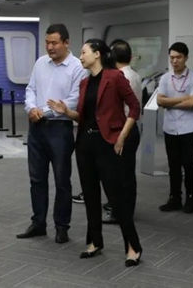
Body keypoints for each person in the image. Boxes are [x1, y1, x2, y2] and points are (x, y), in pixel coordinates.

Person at [50, 39, 142, 266]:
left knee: (116, 196)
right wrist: (66, 111)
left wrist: (122, 136)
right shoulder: (84, 82)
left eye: (84, 52)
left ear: (97, 54)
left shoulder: (115, 77)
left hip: (107, 142)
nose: (80, 57)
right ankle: (95, 242)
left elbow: (134, 107)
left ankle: (133, 246)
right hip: (85, 143)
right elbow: (84, 117)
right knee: (90, 196)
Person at [17, 24, 86, 244]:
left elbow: (74, 100)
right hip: (36, 129)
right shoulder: (40, 63)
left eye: (54, 43)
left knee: (62, 180)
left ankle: (61, 227)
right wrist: (31, 109)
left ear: (66, 43)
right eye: (47, 42)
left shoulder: (77, 67)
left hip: (60, 130)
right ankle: (38, 223)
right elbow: (30, 89)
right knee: (36, 179)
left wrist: (43, 111)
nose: (50, 47)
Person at [156, 42, 193, 214]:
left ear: (186, 58)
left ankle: (191, 198)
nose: (175, 61)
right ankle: (174, 198)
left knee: (188, 164)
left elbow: (192, 103)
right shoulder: (165, 78)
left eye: (178, 57)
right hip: (170, 128)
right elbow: (159, 101)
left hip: (188, 128)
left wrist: (169, 102)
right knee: (173, 165)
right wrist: (182, 99)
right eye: (172, 58)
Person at [101, 39, 142, 224]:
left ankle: (121, 212)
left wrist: (120, 136)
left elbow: (126, 109)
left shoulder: (121, 77)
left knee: (121, 174)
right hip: (131, 128)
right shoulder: (134, 75)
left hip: (124, 129)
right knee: (125, 173)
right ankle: (122, 208)